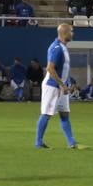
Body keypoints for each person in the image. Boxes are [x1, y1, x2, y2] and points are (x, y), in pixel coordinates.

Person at [35, 22, 80, 150]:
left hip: (62, 87)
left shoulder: (64, 47)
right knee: (46, 114)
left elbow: (64, 70)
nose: (73, 33)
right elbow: (50, 68)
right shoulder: (56, 48)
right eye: (71, 31)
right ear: (64, 33)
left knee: (65, 114)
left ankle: (71, 142)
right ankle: (38, 142)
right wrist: (61, 84)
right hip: (52, 86)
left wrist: (68, 84)